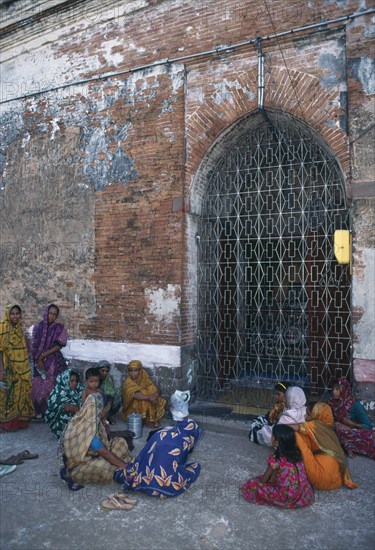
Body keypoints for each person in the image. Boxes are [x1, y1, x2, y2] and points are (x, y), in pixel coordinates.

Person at [114, 390, 202, 498]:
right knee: (194, 467)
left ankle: (148, 480)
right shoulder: (189, 434)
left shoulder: (159, 433)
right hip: (165, 484)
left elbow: (144, 454)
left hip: (144, 478)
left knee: (143, 463)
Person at [61, 392, 132, 487]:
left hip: (95, 455)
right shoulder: (85, 427)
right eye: (104, 409)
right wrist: (127, 467)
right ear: (97, 409)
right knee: (105, 467)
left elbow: (104, 444)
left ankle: (120, 465)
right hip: (80, 465)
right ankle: (121, 470)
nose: (106, 411)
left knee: (120, 442)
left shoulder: (93, 420)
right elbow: (104, 452)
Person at [241, 424, 314, 508]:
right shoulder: (297, 453)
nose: (271, 437)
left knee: (252, 484)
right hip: (303, 493)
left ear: (277, 442)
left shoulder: (276, 458)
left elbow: (264, 480)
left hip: (286, 497)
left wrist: (260, 484)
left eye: (272, 435)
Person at [292, 402, 357, 490]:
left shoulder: (314, 425)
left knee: (296, 435)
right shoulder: (328, 428)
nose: (305, 416)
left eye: (307, 413)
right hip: (337, 479)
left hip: (322, 478)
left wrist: (280, 427)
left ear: (315, 415)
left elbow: (293, 427)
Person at [0, 304, 35, 431]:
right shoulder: (3, 328)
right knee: (6, 395)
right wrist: (2, 370)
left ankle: (17, 423)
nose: (15, 316)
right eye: (12, 313)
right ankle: (4, 424)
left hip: (21, 367)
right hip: (7, 367)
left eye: (17, 313)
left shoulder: (19, 329)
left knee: (19, 393)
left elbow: (23, 350)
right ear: (8, 314)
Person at [31, 304, 68, 417]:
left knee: (50, 384)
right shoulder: (37, 328)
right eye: (50, 313)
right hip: (38, 361)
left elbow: (59, 345)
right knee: (37, 384)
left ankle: (50, 412)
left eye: (54, 314)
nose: (51, 316)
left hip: (53, 360)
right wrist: (39, 360)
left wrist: (44, 355)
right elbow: (33, 346)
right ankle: (38, 411)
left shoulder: (59, 328)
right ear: (46, 313)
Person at [329, 378, 374, 459]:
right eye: (333, 389)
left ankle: (349, 447)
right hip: (338, 430)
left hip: (353, 431)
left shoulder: (355, 405)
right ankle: (348, 447)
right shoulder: (333, 403)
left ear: (344, 390)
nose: (334, 392)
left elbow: (368, 427)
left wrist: (352, 424)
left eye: (337, 389)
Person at [122, 359, 166, 428]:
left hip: (149, 399)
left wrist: (154, 396)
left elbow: (156, 389)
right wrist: (149, 397)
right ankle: (147, 419)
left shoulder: (144, 377)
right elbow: (135, 395)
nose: (133, 373)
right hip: (132, 407)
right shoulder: (128, 381)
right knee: (143, 397)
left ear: (140, 371)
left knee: (151, 390)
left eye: (135, 370)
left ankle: (152, 418)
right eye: (131, 371)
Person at [44, 368, 83, 438]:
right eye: (72, 381)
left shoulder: (79, 390)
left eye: (76, 381)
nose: (75, 383)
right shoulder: (58, 391)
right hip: (59, 422)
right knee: (68, 412)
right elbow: (67, 408)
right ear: (66, 380)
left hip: (78, 417)